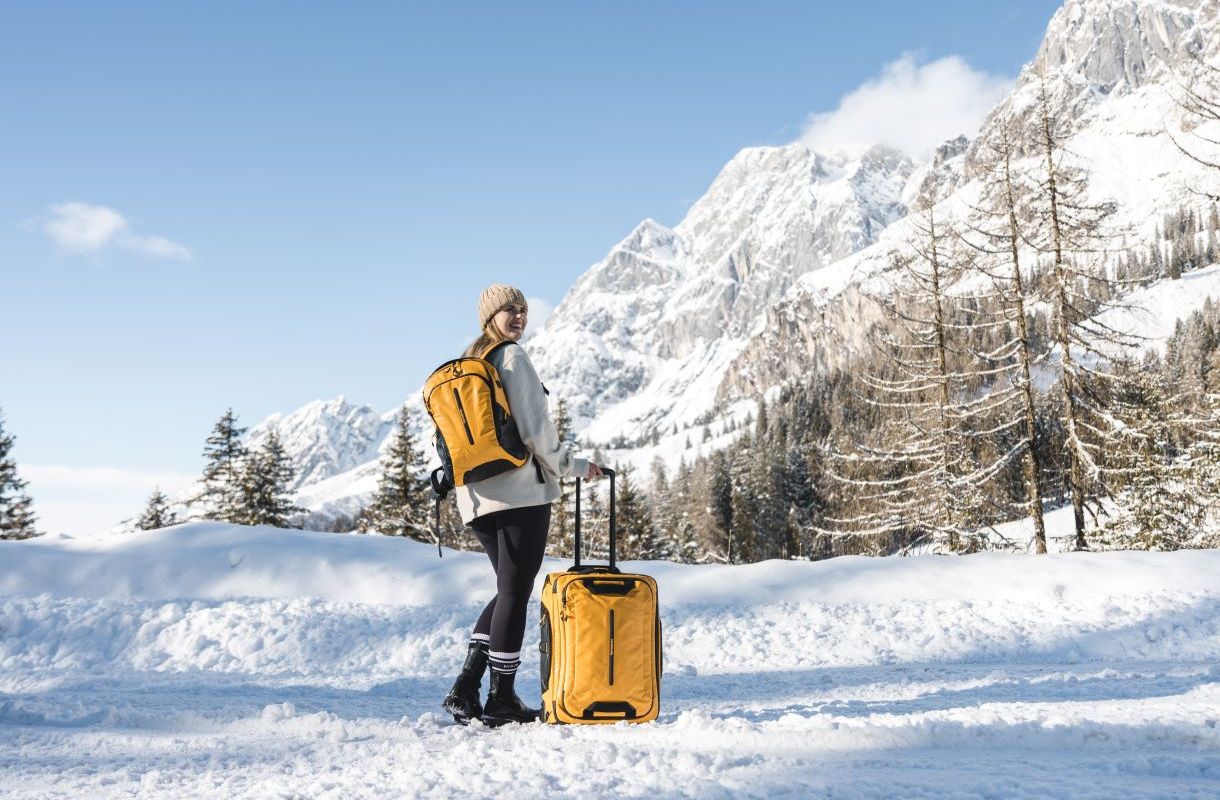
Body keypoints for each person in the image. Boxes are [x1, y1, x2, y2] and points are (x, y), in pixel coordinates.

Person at [441, 283, 603, 727]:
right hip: (519, 493)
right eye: (508, 310)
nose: (517, 317)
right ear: (489, 317)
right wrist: (577, 466)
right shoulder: (511, 358)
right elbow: (536, 433)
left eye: (522, 310)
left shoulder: (470, 364)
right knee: (515, 592)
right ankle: (502, 699)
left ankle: (467, 685)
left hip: (476, 497)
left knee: (506, 590)